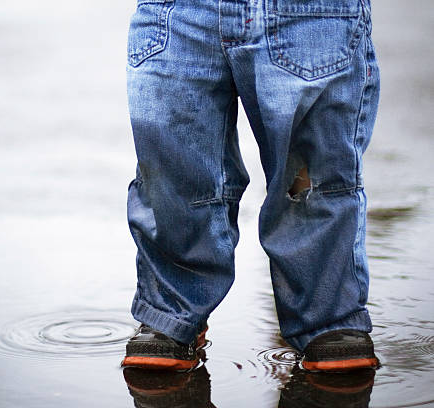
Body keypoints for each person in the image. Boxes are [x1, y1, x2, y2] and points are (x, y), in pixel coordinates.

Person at [121, 0, 380, 372]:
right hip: (177, 12)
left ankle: (328, 320)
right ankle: (171, 312)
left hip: (312, 13)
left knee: (310, 178)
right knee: (174, 171)